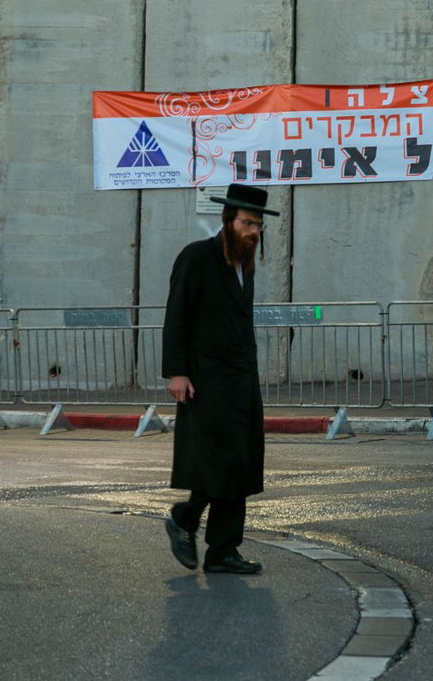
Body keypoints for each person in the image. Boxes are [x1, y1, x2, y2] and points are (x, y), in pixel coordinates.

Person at [162, 183, 278, 574]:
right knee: (218, 460)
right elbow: (177, 315)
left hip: (242, 380)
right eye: (248, 223)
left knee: (240, 463)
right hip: (206, 380)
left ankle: (223, 551)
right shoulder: (197, 257)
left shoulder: (245, 264)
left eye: (258, 225)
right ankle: (185, 517)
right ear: (228, 221)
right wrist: (176, 371)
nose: (254, 231)